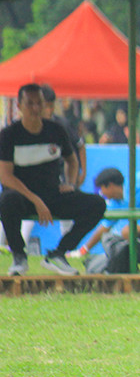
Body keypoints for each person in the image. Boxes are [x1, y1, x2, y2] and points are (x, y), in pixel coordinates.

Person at [0, 84, 106, 276]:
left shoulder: (56, 130)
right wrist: (35, 200)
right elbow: (6, 176)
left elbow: (72, 161)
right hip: (22, 197)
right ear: (19, 106)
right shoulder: (8, 135)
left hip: (52, 194)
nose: (35, 108)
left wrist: (71, 184)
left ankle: (58, 253)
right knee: (6, 201)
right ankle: (19, 256)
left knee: (97, 204)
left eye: (39, 103)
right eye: (30, 103)